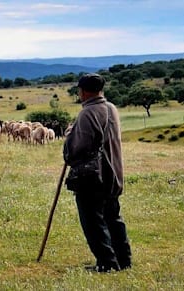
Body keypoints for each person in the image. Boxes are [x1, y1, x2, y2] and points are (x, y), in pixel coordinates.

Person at [63, 73, 132, 273]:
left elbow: (78, 149)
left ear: (83, 91)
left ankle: (107, 263)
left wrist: (69, 136)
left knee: (93, 221)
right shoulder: (111, 108)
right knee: (113, 217)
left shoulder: (87, 113)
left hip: (93, 177)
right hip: (113, 173)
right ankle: (123, 260)